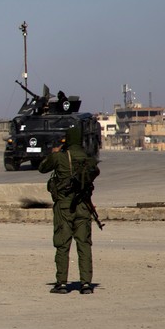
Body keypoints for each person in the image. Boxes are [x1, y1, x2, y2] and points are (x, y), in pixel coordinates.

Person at [38, 126, 100, 295]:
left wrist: (55, 152)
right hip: (84, 206)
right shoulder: (88, 158)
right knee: (84, 245)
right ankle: (86, 283)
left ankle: (62, 283)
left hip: (64, 206)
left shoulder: (60, 157)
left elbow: (42, 168)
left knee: (62, 244)